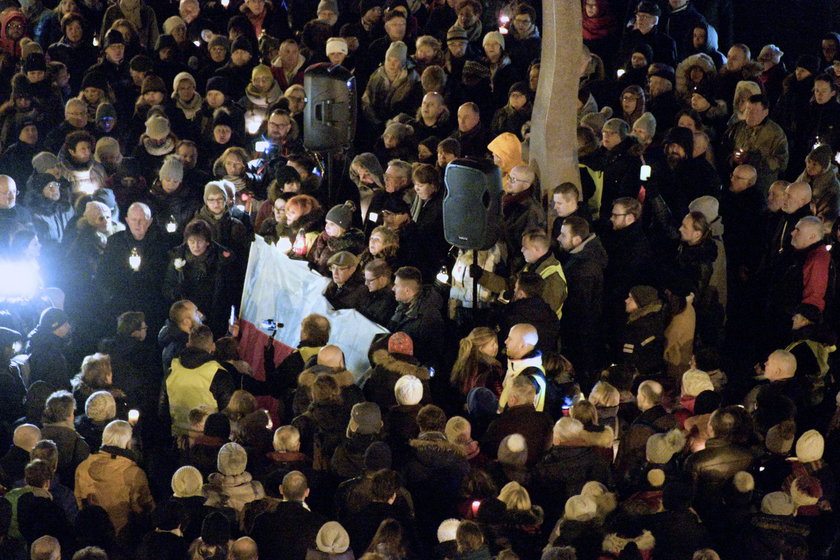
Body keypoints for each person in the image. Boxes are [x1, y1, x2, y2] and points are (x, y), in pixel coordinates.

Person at [74, 420, 154, 535]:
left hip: (92, 532)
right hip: (123, 536)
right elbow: (143, 508)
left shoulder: (83, 467)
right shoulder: (134, 473)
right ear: (128, 443)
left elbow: (80, 502)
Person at [163, 324, 235, 436]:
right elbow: (228, 415)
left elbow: (162, 411)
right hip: (209, 441)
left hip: (179, 439)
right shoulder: (219, 374)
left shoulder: (171, 370)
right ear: (212, 347)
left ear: (188, 344)